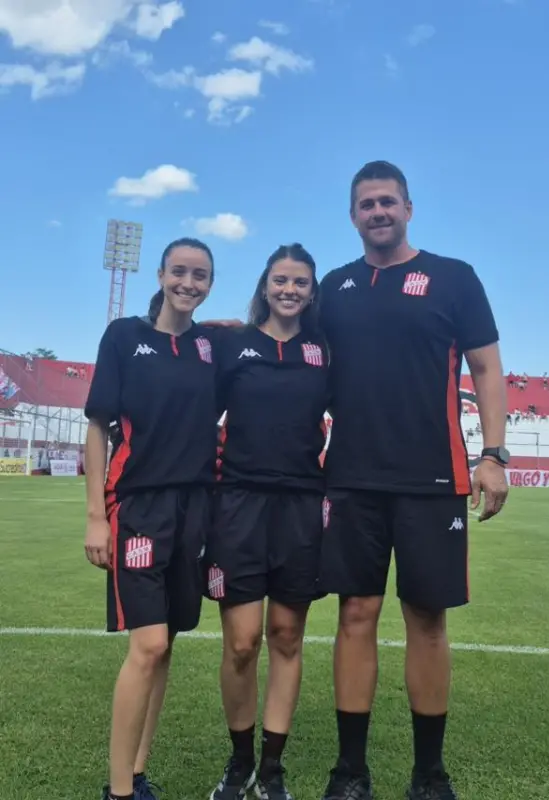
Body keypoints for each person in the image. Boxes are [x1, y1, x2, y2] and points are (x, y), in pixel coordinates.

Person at [316, 160, 510, 800]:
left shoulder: (454, 278)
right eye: (366, 204)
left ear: (408, 208)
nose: (378, 212)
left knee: (427, 620)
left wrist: (495, 454)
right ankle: (351, 771)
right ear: (353, 216)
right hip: (351, 478)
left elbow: (485, 367)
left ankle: (429, 774)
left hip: (434, 478)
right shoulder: (335, 288)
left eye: (388, 202)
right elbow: (290, 343)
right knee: (356, 614)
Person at [83, 238, 220, 800]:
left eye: (201, 275)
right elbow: (97, 427)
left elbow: (249, 335)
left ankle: (138, 773)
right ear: (161, 274)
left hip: (196, 508)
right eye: (180, 272)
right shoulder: (123, 337)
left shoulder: (213, 346)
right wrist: (96, 517)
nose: (189, 283)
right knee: (148, 644)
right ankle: (118, 792)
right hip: (137, 505)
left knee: (168, 642)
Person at [205, 244, 330, 800]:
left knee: (286, 635)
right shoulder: (233, 344)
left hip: (302, 504)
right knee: (242, 642)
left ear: (311, 291)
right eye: (281, 279)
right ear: (265, 284)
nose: (290, 289)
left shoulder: (325, 349)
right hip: (237, 504)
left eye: (300, 282)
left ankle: (271, 769)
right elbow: (193, 402)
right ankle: (239, 763)